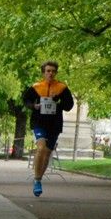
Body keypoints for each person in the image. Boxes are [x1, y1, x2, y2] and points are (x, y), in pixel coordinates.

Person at [22, 61, 74, 196]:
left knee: (47, 153)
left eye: (53, 71)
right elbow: (26, 100)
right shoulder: (36, 87)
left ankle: (38, 179)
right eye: (48, 71)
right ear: (43, 72)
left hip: (54, 124)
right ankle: (37, 180)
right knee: (41, 148)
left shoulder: (62, 88)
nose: (50, 73)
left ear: (56, 73)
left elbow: (69, 105)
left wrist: (58, 102)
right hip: (39, 122)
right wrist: (34, 106)